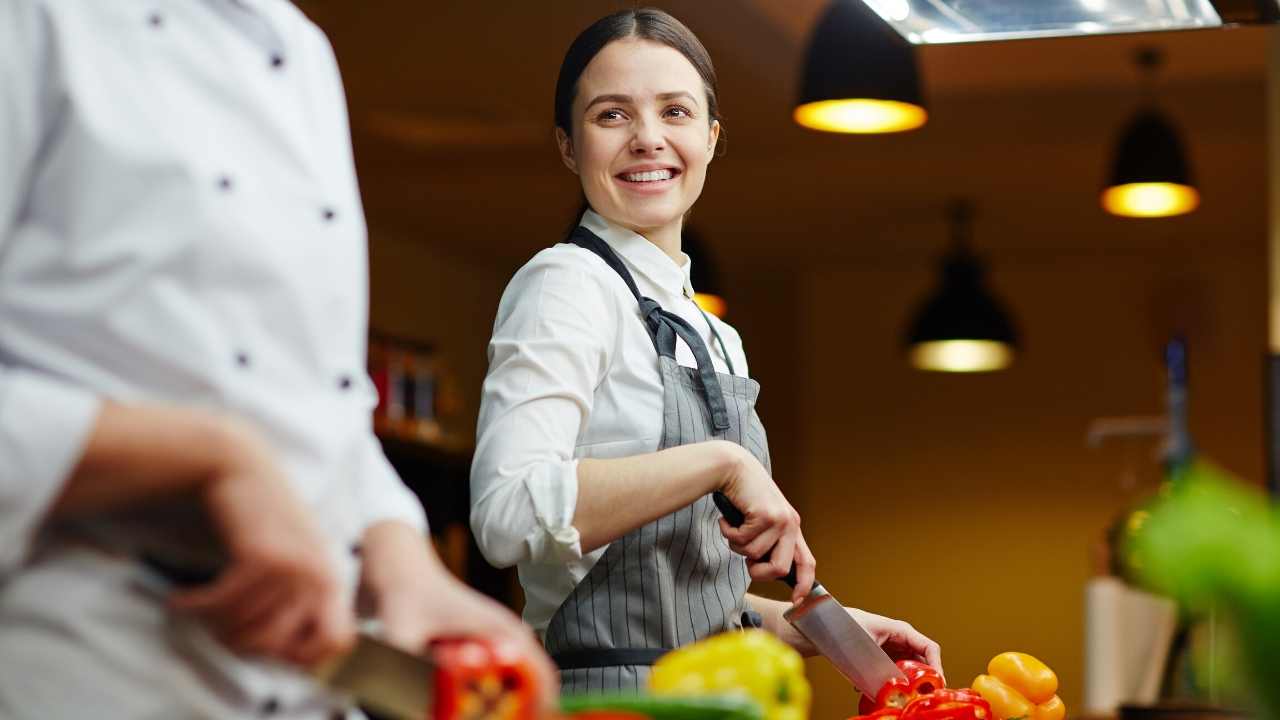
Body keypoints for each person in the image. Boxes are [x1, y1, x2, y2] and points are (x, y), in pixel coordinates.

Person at [0, 1, 554, 717]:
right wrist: (209, 455)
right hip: (87, 672)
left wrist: (401, 559)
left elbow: (321, 404)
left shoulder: (300, 51)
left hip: (305, 684)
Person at [470, 7, 942, 694]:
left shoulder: (718, 337)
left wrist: (816, 625)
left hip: (722, 696)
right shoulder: (566, 284)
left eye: (676, 112)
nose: (648, 139)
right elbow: (505, 514)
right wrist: (722, 462)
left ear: (713, 137)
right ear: (569, 146)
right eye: (611, 116)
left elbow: (676, 592)